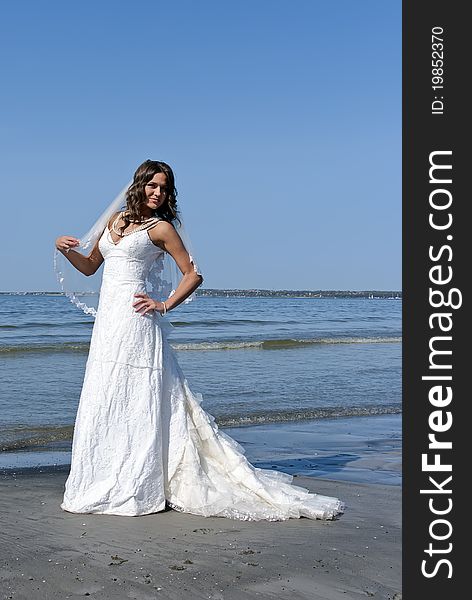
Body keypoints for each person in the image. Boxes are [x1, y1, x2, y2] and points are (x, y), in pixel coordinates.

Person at [55, 159, 344, 521]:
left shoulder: (161, 229)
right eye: (153, 186)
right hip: (108, 325)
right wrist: (64, 248)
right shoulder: (115, 221)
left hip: (137, 322)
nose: (159, 193)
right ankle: (102, 475)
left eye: (165, 188)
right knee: (108, 393)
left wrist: (163, 304)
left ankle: (139, 483)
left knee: (139, 395)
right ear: (139, 184)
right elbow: (90, 267)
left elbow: (193, 274)